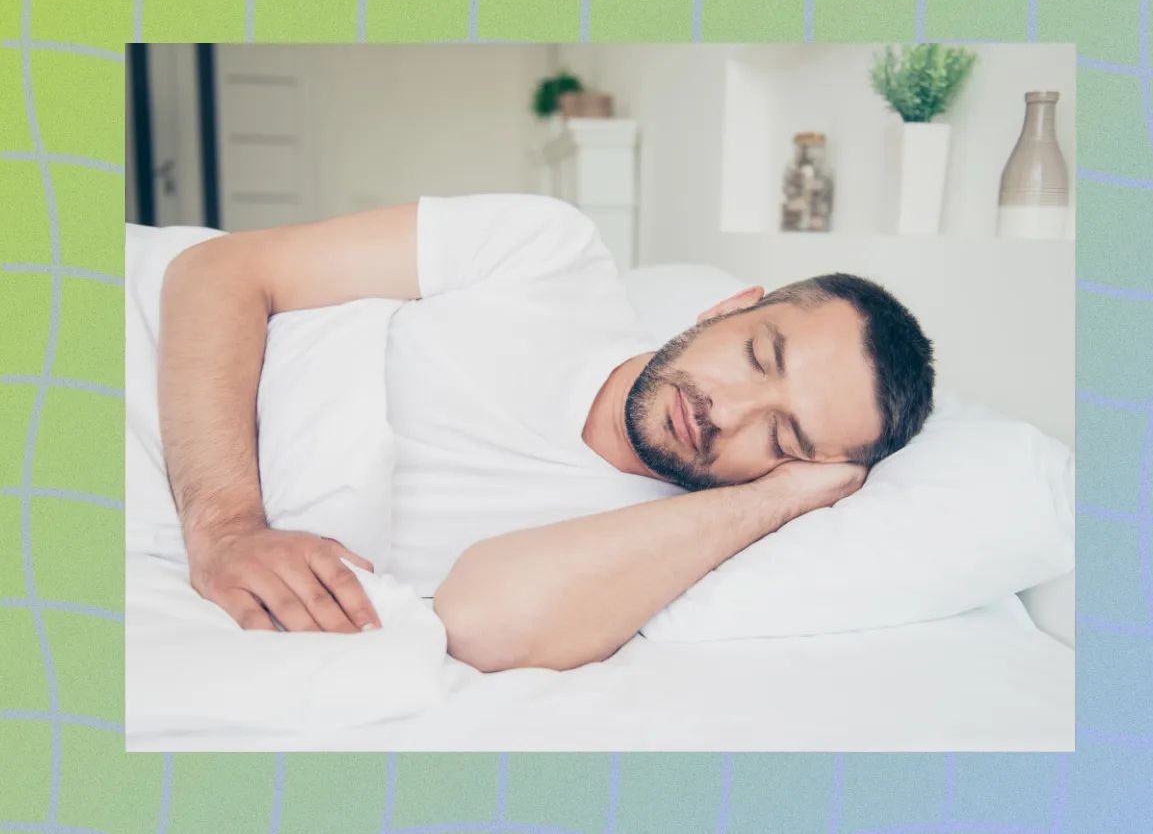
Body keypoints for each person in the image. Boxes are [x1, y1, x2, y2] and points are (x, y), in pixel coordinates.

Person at [158, 193, 934, 673]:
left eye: (785, 437)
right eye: (757, 356)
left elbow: (475, 625)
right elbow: (217, 271)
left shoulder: (649, 547)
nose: (726, 412)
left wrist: (780, 499)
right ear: (728, 307)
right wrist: (226, 524)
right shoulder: (549, 251)